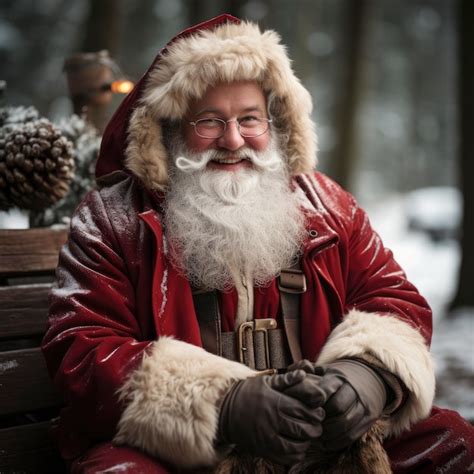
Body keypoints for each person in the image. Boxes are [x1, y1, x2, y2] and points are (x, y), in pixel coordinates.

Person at [42, 14, 473, 473]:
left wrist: (364, 377)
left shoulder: (327, 204)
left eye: (249, 119)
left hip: (322, 441)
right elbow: (83, 347)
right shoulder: (113, 219)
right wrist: (225, 404)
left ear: (275, 124)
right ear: (167, 131)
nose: (233, 140)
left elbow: (391, 297)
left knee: (454, 445)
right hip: (188, 454)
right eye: (209, 121)